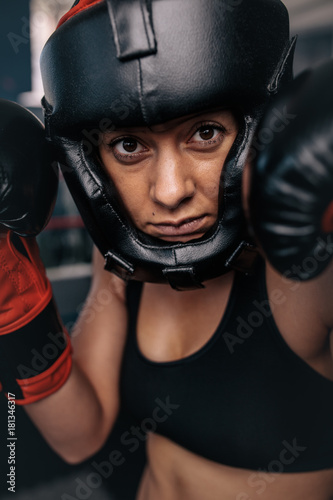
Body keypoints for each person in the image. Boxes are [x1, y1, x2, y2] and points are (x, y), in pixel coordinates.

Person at [1, 1, 333, 499]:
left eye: (205, 133)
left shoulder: (304, 271)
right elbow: (80, 435)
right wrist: (12, 306)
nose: (170, 192)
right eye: (130, 147)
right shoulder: (123, 263)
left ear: (259, 126)